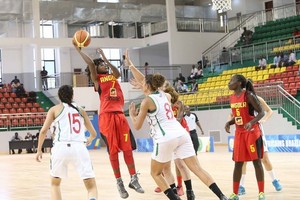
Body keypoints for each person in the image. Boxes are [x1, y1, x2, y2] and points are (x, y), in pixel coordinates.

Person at [126, 51, 228, 200]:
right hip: (181, 134)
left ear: (147, 86)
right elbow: (146, 81)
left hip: (165, 138)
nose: (141, 85)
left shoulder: (146, 102)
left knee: (155, 173)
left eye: (143, 84)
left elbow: (137, 126)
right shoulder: (165, 95)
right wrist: (131, 65)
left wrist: (133, 114)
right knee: (197, 169)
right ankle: (222, 197)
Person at [74, 45, 144, 199]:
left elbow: (118, 72)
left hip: (120, 116)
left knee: (127, 149)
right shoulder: (97, 80)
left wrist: (105, 58)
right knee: (113, 151)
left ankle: (133, 178)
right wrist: (79, 51)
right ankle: (119, 182)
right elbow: (91, 64)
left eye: (104, 64)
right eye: (101, 65)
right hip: (106, 117)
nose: (103, 66)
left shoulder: (113, 76)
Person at [35, 85, 98, 200]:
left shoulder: (54, 110)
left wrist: (39, 150)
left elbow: (43, 131)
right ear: (72, 95)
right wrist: (89, 139)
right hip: (79, 147)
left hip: (60, 148)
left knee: (55, 184)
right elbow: (93, 133)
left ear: (59, 97)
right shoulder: (81, 110)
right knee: (91, 186)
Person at [225, 74, 266, 200]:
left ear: (239, 83)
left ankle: (261, 193)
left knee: (256, 162)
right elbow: (238, 116)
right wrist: (229, 123)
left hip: (252, 132)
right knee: (238, 163)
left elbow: (262, 112)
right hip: (239, 133)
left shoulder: (248, 95)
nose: (229, 83)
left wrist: (251, 122)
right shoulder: (232, 98)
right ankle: (235, 193)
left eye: (232, 81)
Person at [238, 95, 282, 195]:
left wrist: (264, 119)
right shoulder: (239, 101)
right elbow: (232, 115)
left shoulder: (258, 99)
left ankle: (275, 180)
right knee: (243, 161)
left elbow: (270, 111)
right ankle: (242, 186)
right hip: (244, 134)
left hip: (258, 133)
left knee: (265, 160)